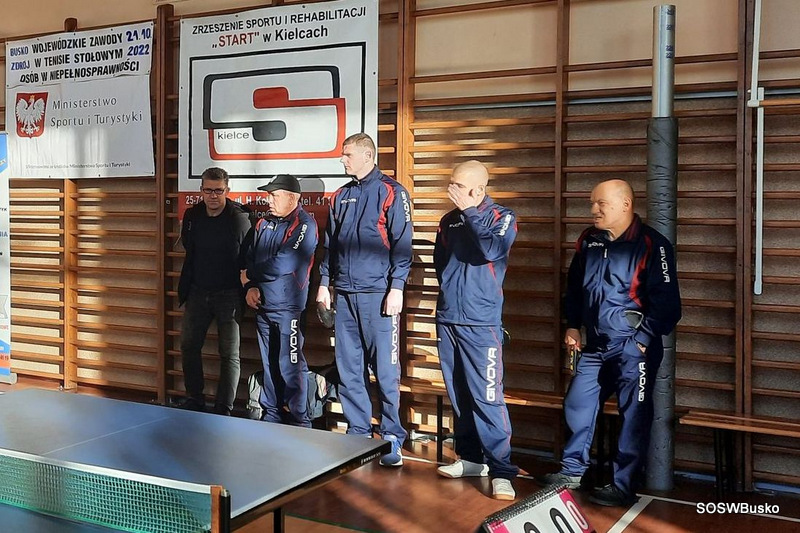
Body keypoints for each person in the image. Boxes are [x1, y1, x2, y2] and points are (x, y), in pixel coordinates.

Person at [538, 179, 682, 507]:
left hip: (633, 348)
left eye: (600, 203)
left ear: (625, 204)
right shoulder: (589, 240)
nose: (593, 210)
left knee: (634, 417)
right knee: (578, 403)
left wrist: (642, 340)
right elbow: (575, 286)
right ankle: (572, 472)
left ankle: (623, 485)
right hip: (595, 345)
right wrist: (572, 324)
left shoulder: (653, 245)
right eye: (592, 203)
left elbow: (669, 305)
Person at [316, 133, 412, 466]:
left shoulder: (392, 192)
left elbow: (402, 244)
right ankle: (358, 435)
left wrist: (397, 287)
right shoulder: (340, 196)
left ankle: (391, 437)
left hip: (379, 297)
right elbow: (330, 245)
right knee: (349, 369)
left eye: (348, 155)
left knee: (386, 371)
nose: (342, 160)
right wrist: (324, 284)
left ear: (368, 156)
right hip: (345, 296)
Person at [433, 160, 519, 501]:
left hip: (482, 323)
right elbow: (441, 264)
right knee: (459, 394)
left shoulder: (502, 217)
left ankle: (502, 470)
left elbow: (491, 250)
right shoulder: (448, 220)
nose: (451, 190)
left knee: (487, 396)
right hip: (449, 319)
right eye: (451, 183)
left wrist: (470, 212)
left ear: (479, 189)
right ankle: (470, 458)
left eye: (458, 185)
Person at [243, 174, 318, 427]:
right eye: (269, 195)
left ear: (292, 198)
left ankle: (300, 420)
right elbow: (249, 257)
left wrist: (251, 275)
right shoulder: (263, 224)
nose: (269, 200)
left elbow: (284, 263)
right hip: (263, 307)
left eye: (274, 195)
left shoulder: (304, 225)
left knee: (291, 365)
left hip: (289, 309)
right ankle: (272, 415)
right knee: (269, 364)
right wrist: (250, 286)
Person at [177, 167, 252, 415]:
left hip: (229, 294)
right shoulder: (192, 216)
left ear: (227, 191)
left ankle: (224, 407)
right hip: (198, 291)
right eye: (208, 190)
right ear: (201, 190)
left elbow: (248, 255)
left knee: (229, 354)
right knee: (189, 346)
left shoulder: (239, 218)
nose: (213, 196)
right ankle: (194, 398)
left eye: (218, 191)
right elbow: (189, 246)